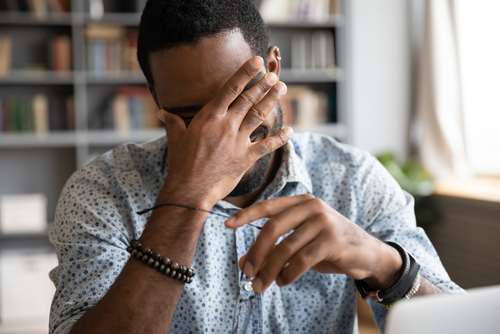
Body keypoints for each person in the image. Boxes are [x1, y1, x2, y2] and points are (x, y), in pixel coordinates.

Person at [48, 1, 463, 333]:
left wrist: (384, 265)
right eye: (195, 117)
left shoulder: (353, 178)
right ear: (155, 98)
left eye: (241, 100)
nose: (224, 133)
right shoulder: (103, 190)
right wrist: (185, 197)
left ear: (273, 68)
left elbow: (461, 325)